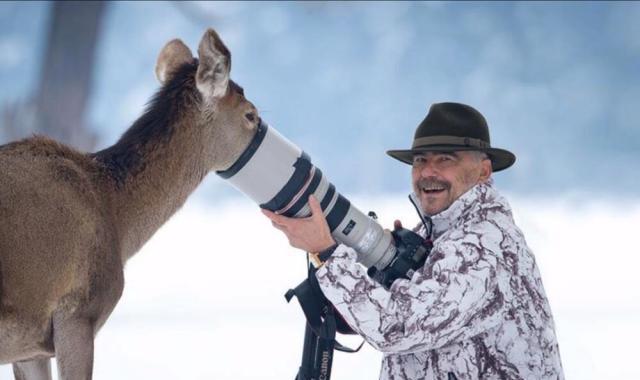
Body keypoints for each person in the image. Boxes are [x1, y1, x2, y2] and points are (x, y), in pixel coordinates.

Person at [262, 102, 564, 380]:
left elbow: (396, 327)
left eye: (445, 159)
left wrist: (327, 253)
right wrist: (376, 275)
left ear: (483, 171)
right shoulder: (438, 234)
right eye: (420, 160)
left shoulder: (484, 245)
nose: (428, 172)